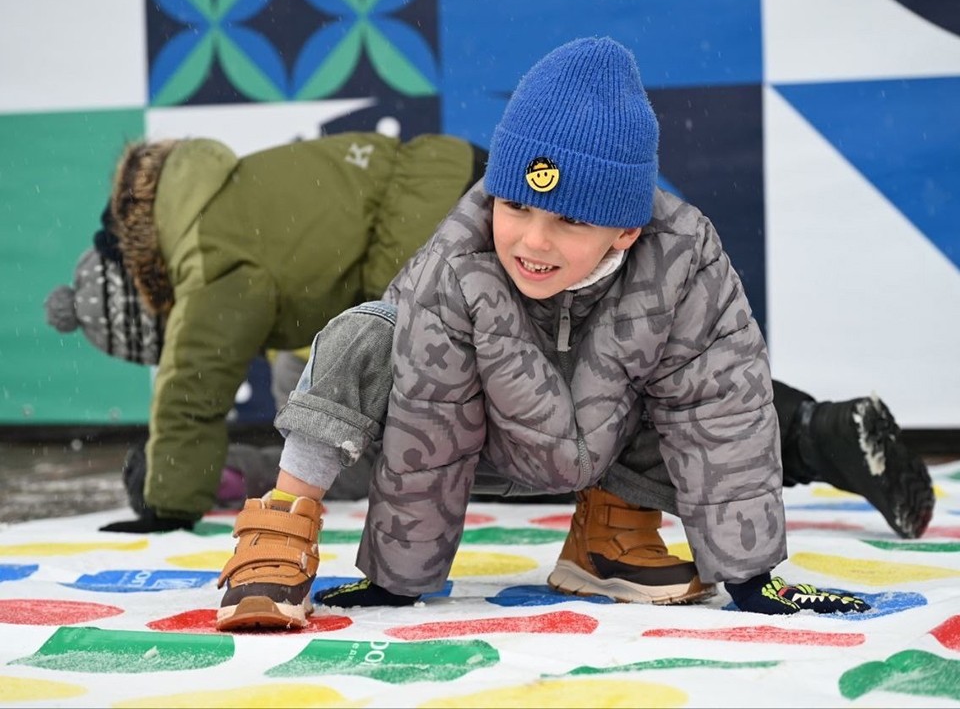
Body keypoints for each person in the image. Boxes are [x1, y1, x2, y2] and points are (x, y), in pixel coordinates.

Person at [213, 37, 890, 632]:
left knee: (702, 379)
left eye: (568, 221)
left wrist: (753, 578)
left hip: (597, 438)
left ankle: (613, 538)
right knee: (366, 333)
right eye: (517, 206)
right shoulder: (458, 261)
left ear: (624, 230)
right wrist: (398, 576)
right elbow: (431, 415)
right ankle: (280, 529)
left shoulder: (684, 265)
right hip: (466, 442)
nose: (532, 242)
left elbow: (721, 414)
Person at [43, 131, 488, 531]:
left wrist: (168, 501)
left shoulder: (207, 255)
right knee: (318, 403)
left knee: (399, 438)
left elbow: (191, 382)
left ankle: (525, 472)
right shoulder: (211, 198)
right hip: (450, 182)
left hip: (431, 218)